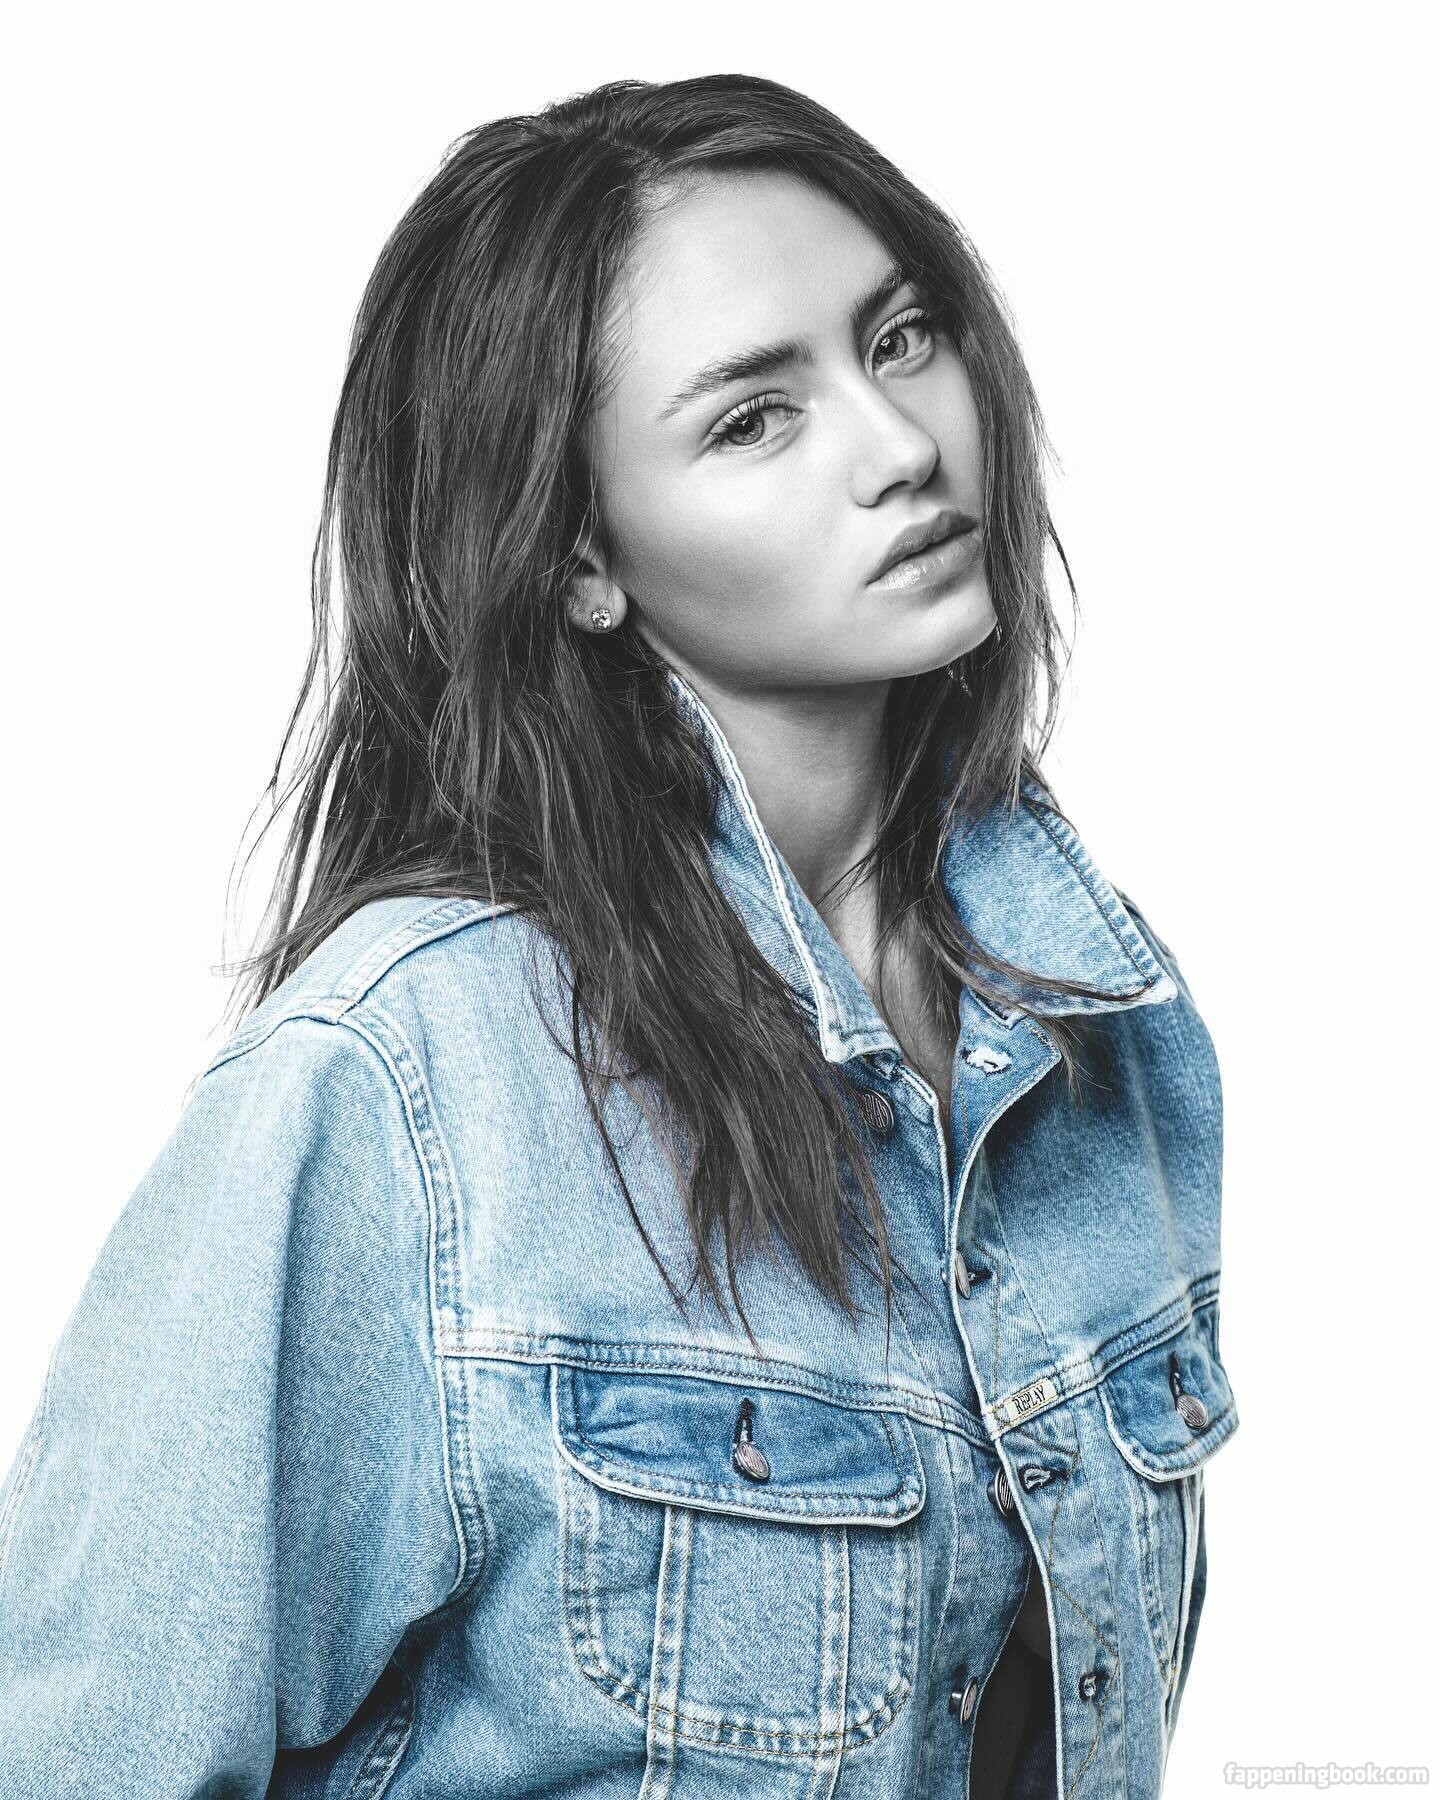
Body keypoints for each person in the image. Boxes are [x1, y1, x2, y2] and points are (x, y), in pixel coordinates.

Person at [0, 73, 1238, 1798]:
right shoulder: (404, 1084)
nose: (901, 446)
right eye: (755, 419)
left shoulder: (1094, 1026)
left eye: (900, 340)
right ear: (583, 553)